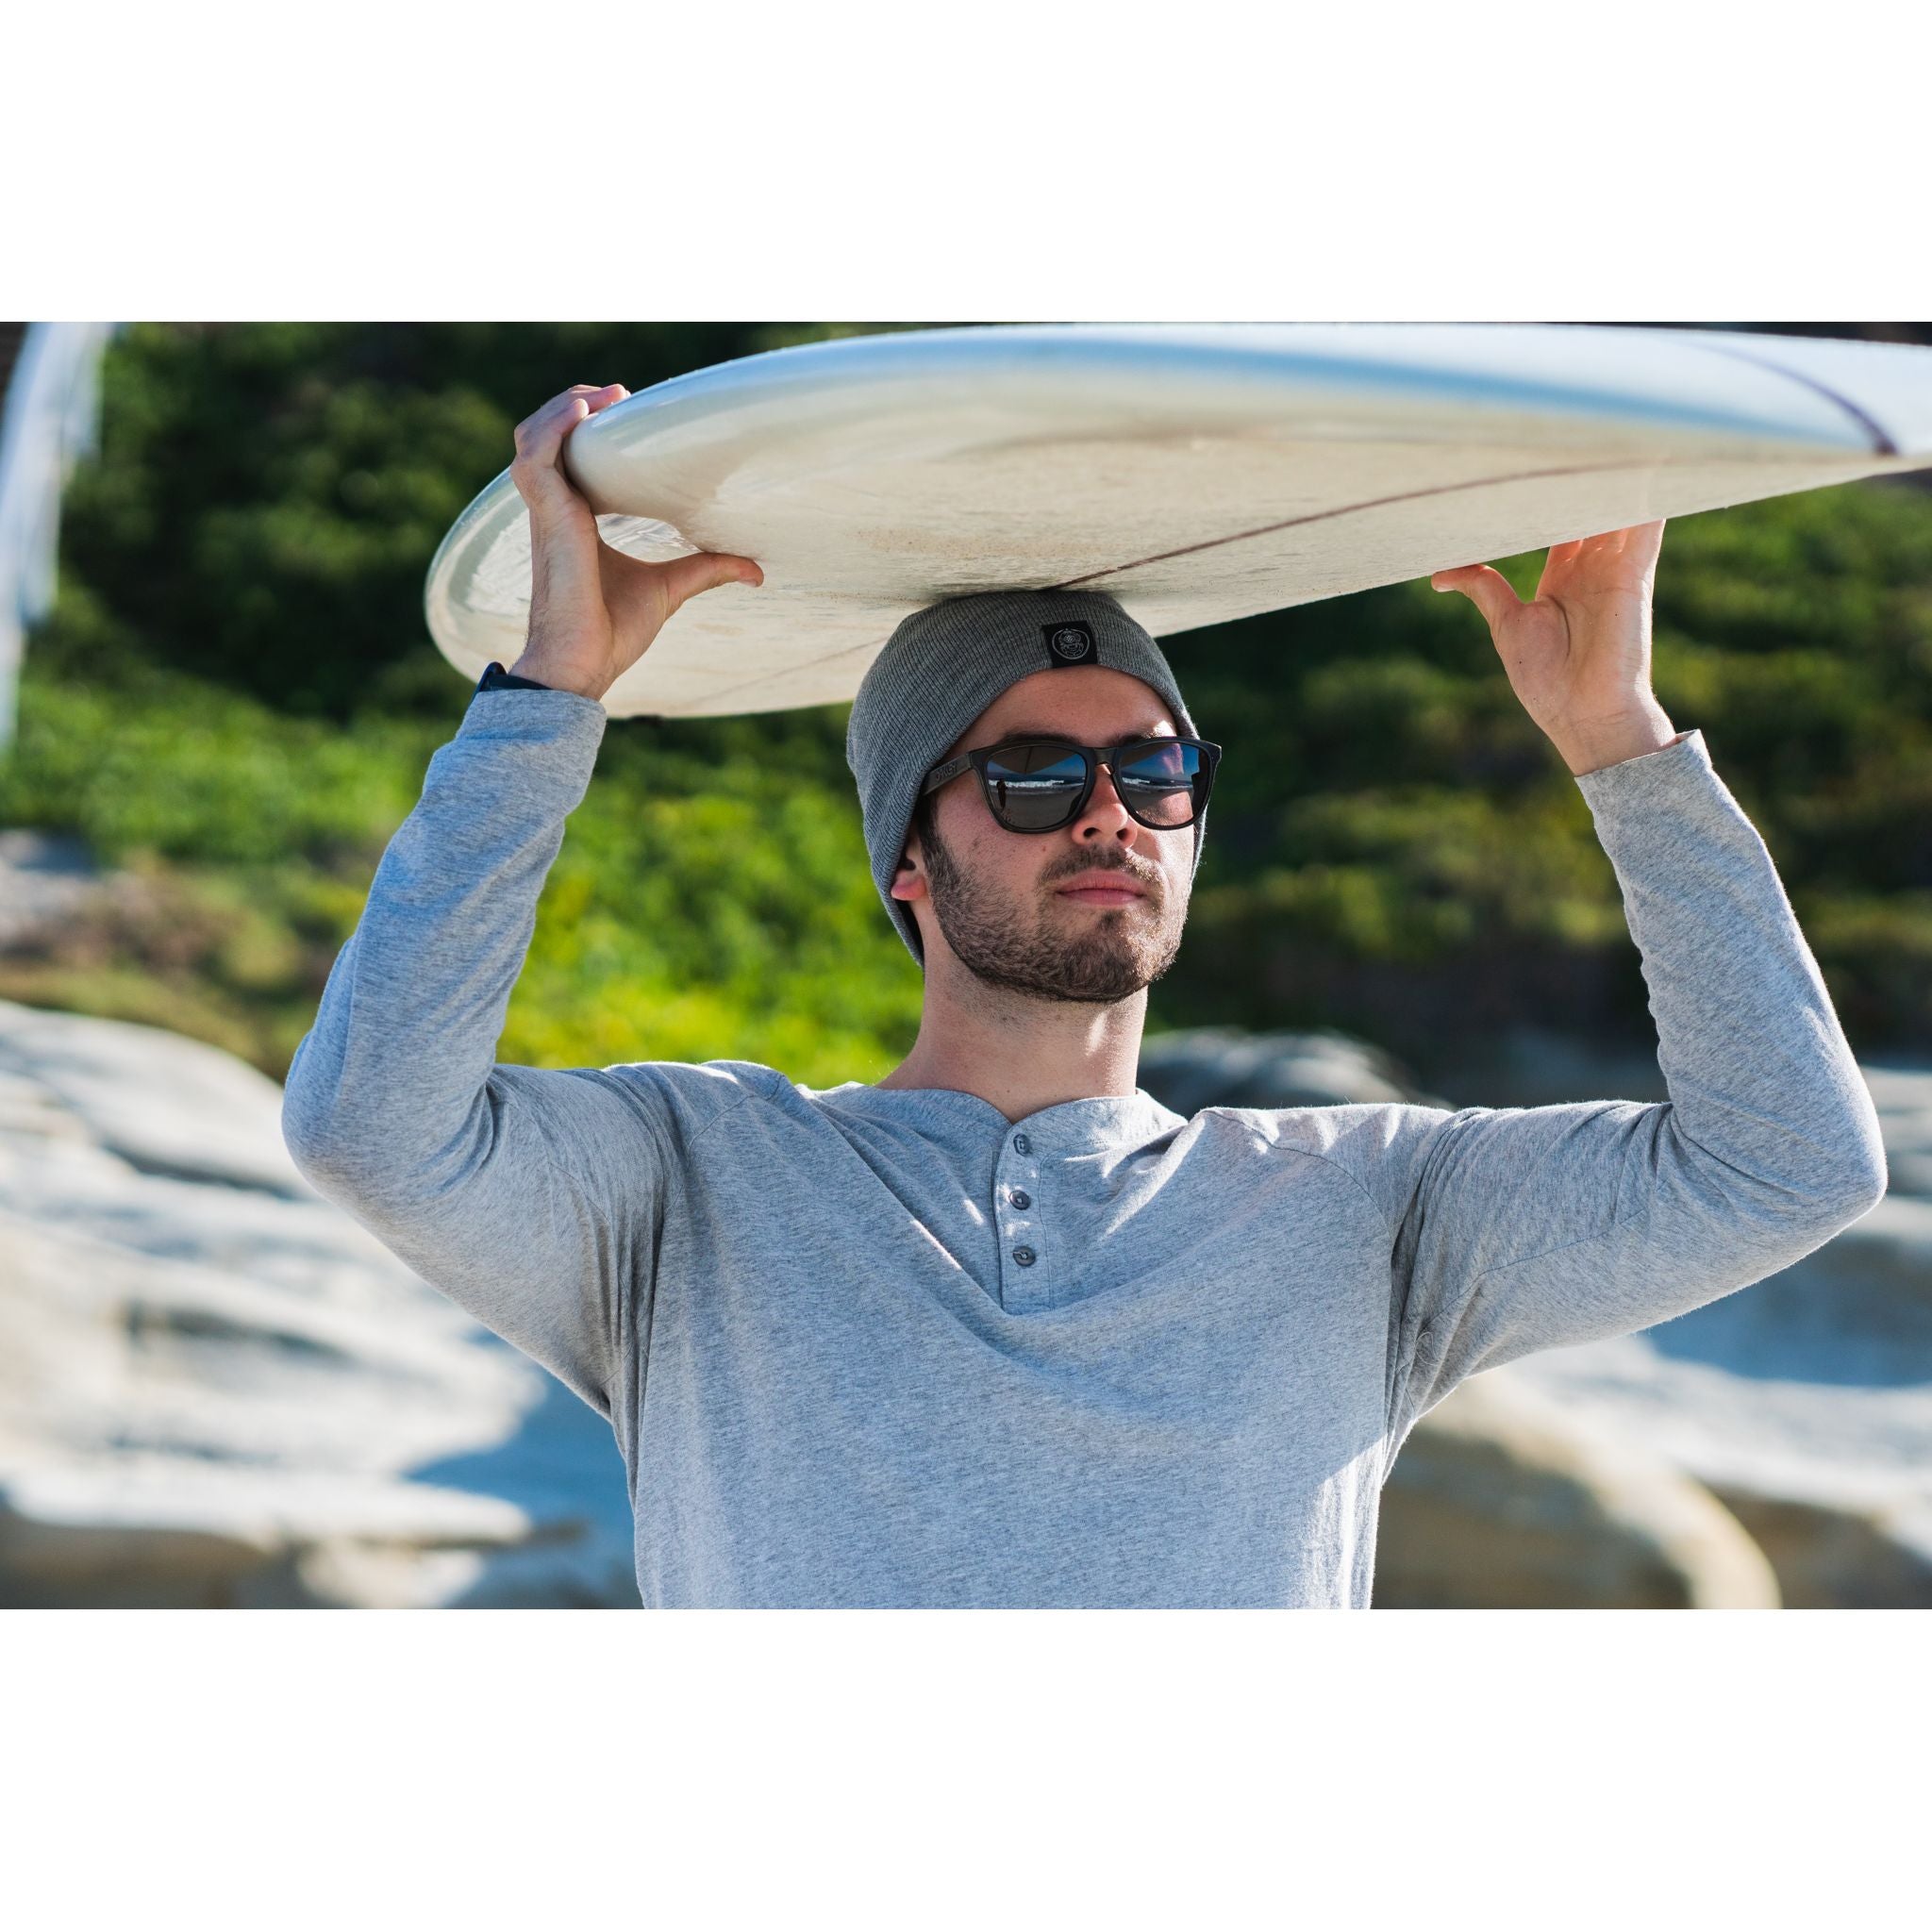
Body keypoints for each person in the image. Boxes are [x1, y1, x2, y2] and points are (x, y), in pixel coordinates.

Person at [282, 380, 1889, 1608]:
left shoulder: (1368, 1211)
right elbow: (374, 1124)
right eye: (1036, 774)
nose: (1111, 810)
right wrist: (548, 698)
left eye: (1156, 768)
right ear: (907, 859)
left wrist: (1621, 742)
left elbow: (1791, 1164)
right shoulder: (693, 1181)